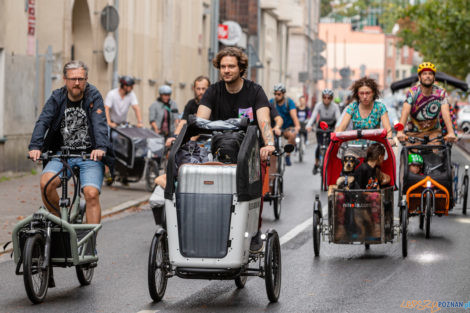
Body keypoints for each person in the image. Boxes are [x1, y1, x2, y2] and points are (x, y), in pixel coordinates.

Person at [28, 60, 109, 287]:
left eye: (81, 79)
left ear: (86, 79)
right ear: (65, 80)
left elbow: (100, 122)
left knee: (91, 193)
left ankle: (90, 242)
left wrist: (100, 147)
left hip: (88, 156)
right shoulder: (57, 97)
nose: (77, 83)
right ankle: (59, 223)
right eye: (73, 79)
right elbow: (43, 120)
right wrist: (35, 146)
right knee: (46, 183)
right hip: (60, 154)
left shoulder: (93, 96)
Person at [196, 47, 275, 251]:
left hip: (249, 151)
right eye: (223, 66)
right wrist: (182, 138)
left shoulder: (254, 91)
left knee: (253, 190)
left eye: (231, 66)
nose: (226, 70)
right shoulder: (213, 91)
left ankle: (254, 233)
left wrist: (269, 144)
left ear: (241, 68)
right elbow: (200, 120)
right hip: (220, 149)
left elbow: (264, 120)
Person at [396, 62, 457, 143]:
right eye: (424, 74)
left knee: (438, 153)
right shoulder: (412, 92)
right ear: (419, 77)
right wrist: (400, 132)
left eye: (430, 74)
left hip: (433, 134)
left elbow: (445, 113)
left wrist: (451, 132)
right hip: (413, 134)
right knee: (411, 154)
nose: (427, 76)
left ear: (434, 77)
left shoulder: (441, 93)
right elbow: (405, 111)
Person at [336, 76, 394, 146]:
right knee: (348, 157)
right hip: (354, 147)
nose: (365, 97)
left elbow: (388, 129)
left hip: (374, 148)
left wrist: (390, 138)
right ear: (358, 94)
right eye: (361, 93)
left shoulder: (380, 107)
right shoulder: (352, 107)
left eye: (368, 93)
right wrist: (336, 138)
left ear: (373, 93)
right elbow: (342, 127)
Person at [165, 76, 211, 147]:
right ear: (194, 89)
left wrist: (190, 140)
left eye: (203, 89)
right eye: (198, 89)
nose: (201, 92)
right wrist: (175, 137)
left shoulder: (212, 104)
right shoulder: (190, 104)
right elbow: (183, 122)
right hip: (192, 140)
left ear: (209, 89)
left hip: (209, 141)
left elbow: (200, 125)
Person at [306, 89, 341, 174]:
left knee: (331, 147)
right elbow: (313, 116)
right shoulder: (318, 105)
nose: (326, 99)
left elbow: (339, 119)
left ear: (331, 98)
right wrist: (309, 125)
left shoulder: (335, 107)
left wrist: (338, 128)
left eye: (329, 98)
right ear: (322, 98)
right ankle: (316, 163)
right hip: (321, 127)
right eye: (324, 97)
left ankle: (331, 164)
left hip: (331, 127)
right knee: (319, 146)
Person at [269, 83, 301, 166]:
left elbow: (294, 116)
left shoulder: (289, 102)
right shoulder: (271, 102)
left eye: (279, 94)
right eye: (275, 94)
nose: (276, 96)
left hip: (287, 128)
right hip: (275, 129)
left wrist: (297, 127)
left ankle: (287, 155)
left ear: (283, 94)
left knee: (293, 133)